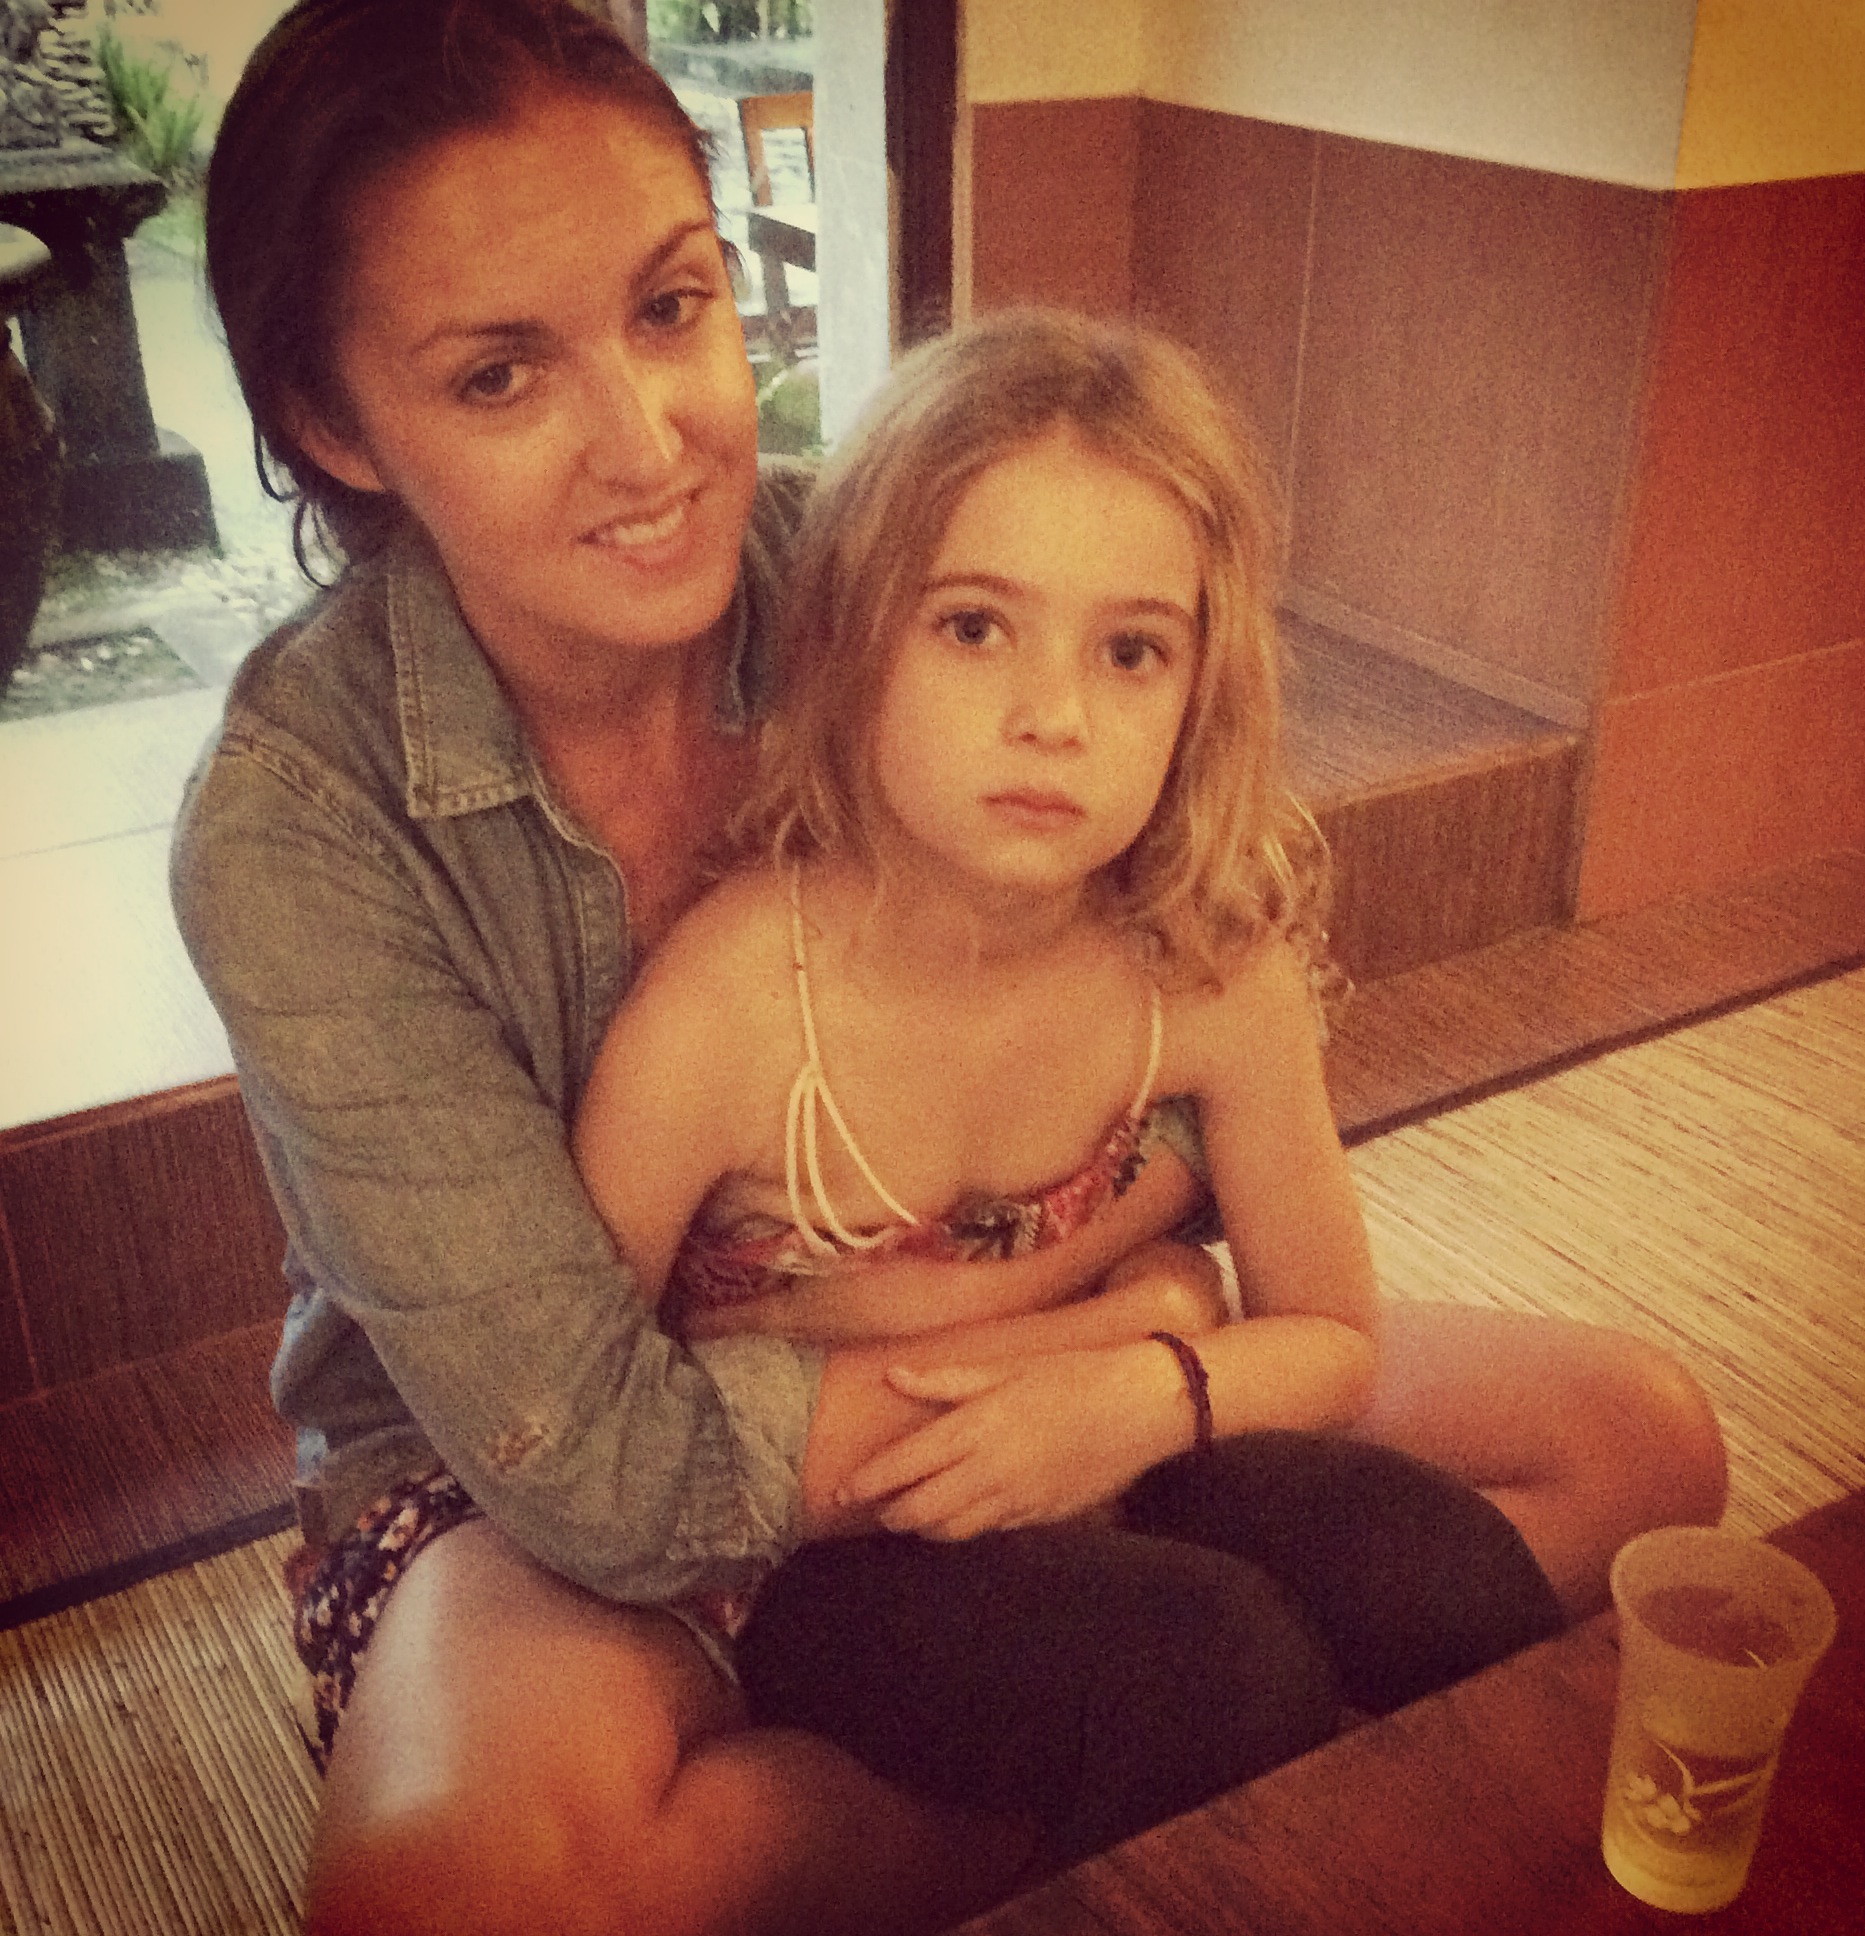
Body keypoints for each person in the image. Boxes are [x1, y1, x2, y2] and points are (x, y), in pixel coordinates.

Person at [170, 2, 1726, 1931]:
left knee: (1639, 1451)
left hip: (1058, 1352)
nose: (650, 444)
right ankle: (1172, 1748)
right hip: (557, 1461)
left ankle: (1155, 1715)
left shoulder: (900, 564)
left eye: (673, 308)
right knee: (464, 1900)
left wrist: (1162, 1366)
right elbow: (590, 1449)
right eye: (500, 376)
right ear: (335, 423)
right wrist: (1126, 1327)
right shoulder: (298, 828)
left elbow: (1194, 940)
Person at [570, 308, 1577, 1842]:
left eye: (1131, 652)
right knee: (1215, 1677)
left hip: (1123, 1435)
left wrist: (1143, 1389)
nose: (1055, 717)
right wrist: (1132, 1317)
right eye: (975, 627)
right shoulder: (728, 1004)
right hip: (823, 1551)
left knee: (1441, 1579)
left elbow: (1330, 1334)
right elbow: (590, 1412)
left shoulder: (1209, 961)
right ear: (850, 641)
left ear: (1201, 689)